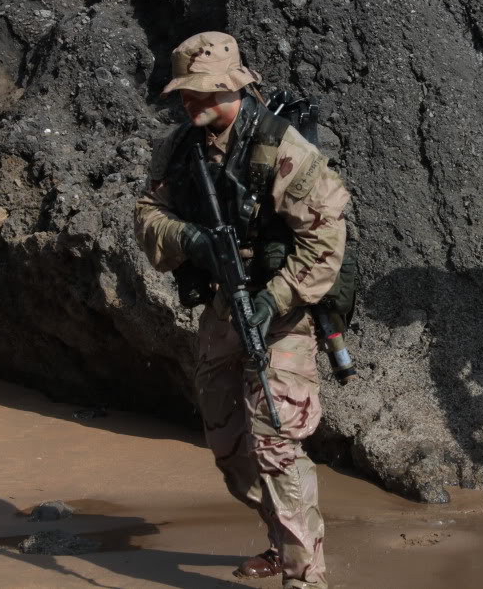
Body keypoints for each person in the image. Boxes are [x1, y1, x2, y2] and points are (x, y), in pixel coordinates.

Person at [134, 31, 348, 587]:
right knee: (228, 445)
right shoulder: (180, 150)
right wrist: (191, 240)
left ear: (233, 86)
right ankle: (281, 539)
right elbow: (147, 216)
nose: (189, 102)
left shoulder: (285, 151)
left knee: (278, 440)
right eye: (184, 93)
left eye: (201, 92)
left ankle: (306, 577)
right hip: (223, 308)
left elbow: (325, 245)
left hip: (284, 311)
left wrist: (273, 298)